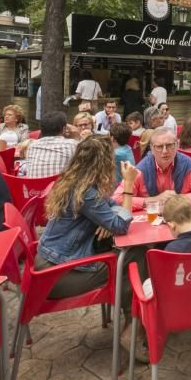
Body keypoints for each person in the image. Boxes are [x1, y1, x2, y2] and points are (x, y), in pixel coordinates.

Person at [35, 136, 143, 358]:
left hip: (46, 264)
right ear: (103, 163)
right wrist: (129, 185)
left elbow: (111, 205)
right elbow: (121, 225)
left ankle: (133, 321)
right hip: (57, 274)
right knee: (134, 257)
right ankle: (133, 327)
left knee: (125, 256)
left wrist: (108, 218)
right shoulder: (87, 193)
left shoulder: (75, 182)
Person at [112, 126, 191, 209]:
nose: (165, 151)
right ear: (151, 148)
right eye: (159, 146)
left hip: (181, 220)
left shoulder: (188, 165)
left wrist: (177, 200)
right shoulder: (141, 170)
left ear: (177, 145)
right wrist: (154, 200)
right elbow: (117, 198)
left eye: (169, 145)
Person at [22, 112, 78, 178]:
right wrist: (76, 136)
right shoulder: (72, 144)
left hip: (33, 187)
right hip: (60, 187)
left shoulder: (31, 146)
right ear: (64, 129)